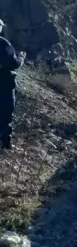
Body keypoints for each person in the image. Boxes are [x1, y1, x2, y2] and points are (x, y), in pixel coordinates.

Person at [0, 20, 24, 150]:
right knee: (5, 113)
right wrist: (21, 58)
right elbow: (14, 63)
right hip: (3, 85)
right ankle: (5, 144)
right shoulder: (3, 43)